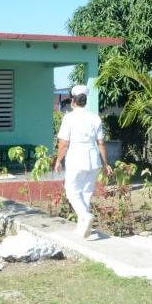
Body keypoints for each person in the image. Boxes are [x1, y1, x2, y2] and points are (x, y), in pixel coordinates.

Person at [53, 84, 112, 238]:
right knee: (85, 193)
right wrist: (106, 164)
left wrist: (58, 160)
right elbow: (101, 143)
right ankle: (82, 227)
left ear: (73, 100)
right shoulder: (95, 118)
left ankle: (85, 216)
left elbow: (64, 143)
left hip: (76, 158)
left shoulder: (69, 117)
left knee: (72, 191)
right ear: (85, 101)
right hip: (93, 160)